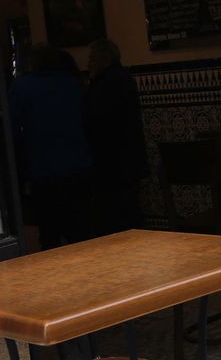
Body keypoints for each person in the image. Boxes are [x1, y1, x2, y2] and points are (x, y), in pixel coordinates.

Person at [8, 46, 96, 250]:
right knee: (81, 232)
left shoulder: (22, 86)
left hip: (43, 169)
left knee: (49, 233)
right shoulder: (74, 84)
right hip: (79, 166)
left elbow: (12, 128)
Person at [85, 38, 149, 234]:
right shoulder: (123, 79)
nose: (88, 62)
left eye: (92, 57)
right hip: (128, 158)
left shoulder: (104, 84)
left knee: (114, 213)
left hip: (113, 160)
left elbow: (97, 120)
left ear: (102, 59)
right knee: (128, 209)